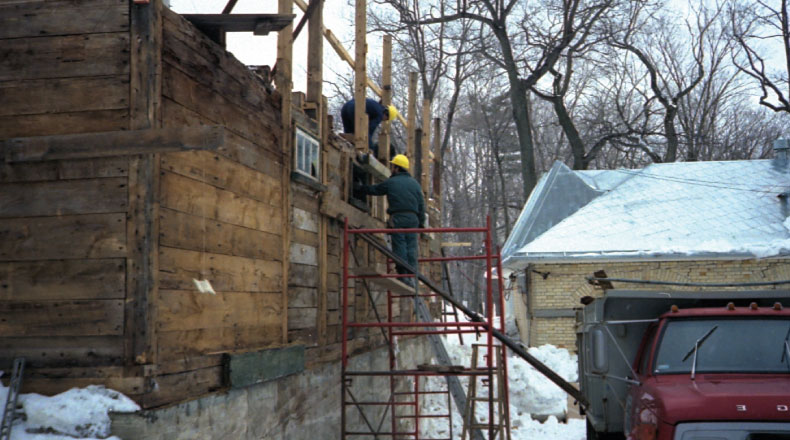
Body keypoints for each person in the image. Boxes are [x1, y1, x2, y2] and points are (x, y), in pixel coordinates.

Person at [355, 154, 424, 286]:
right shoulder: (415, 184)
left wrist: (360, 188)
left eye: (393, 166)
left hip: (398, 217)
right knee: (411, 246)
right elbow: (421, 204)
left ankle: (403, 275)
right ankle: (412, 276)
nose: (392, 168)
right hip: (413, 219)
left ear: (397, 168)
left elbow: (376, 190)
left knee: (400, 246)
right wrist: (421, 222)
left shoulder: (392, 182)